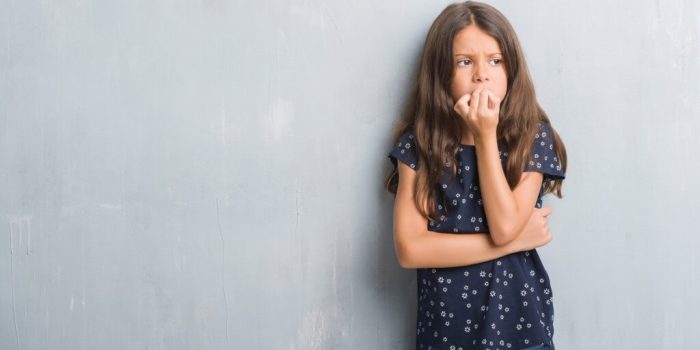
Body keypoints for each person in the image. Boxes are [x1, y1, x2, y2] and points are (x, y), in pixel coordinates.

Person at [384, 2, 568, 349]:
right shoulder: (420, 144)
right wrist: (517, 241)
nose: (482, 74)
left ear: (511, 69)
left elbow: (504, 226)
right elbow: (410, 250)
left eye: (495, 61)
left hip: (519, 324)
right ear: (442, 73)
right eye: (464, 62)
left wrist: (485, 136)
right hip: (448, 332)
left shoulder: (531, 137)